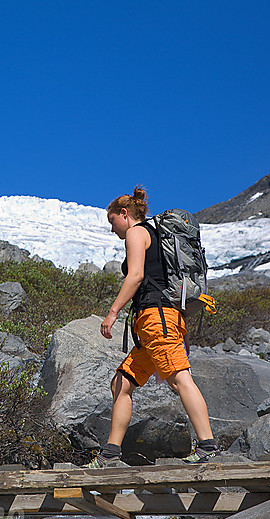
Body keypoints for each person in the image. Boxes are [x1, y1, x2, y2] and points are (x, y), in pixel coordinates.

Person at [88, 186, 219, 467]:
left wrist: (112, 313)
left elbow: (135, 275)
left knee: (179, 378)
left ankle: (208, 446)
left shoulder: (137, 232)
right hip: (152, 323)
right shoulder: (155, 234)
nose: (113, 230)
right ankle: (110, 454)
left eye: (112, 222)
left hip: (157, 318)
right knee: (121, 382)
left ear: (124, 214)